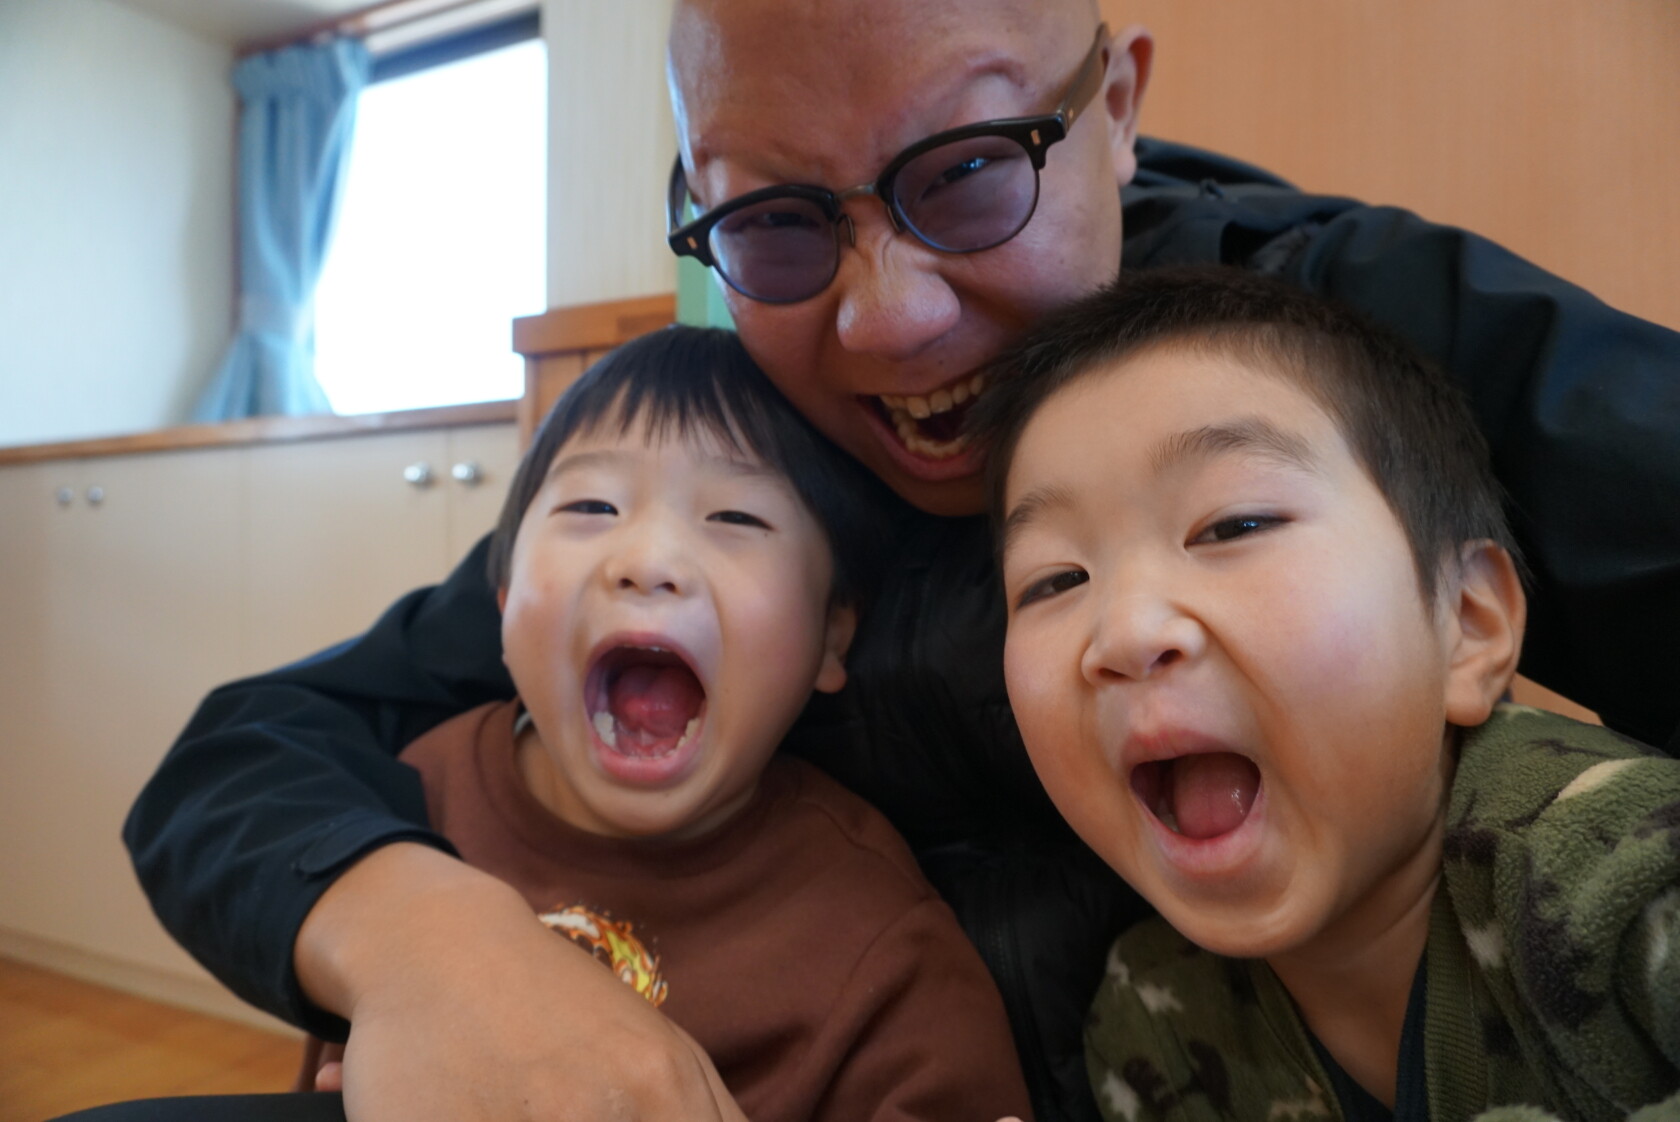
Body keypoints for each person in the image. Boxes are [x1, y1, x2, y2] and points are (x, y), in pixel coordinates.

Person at [123, 1, 1680, 1119]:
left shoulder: (1326, 347)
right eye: (772, 220)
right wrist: (433, 947)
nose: (887, 317)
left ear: (1115, 107)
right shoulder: (738, 453)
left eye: (973, 169)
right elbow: (254, 749)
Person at [975, 267, 1680, 1121]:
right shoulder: (1151, 1023)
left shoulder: (1625, 860)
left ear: (1468, 620)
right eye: (1054, 580)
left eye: (1232, 525)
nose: (1123, 634)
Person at [296, 325, 1033, 1121]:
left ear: (830, 635)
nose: (648, 561)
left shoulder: (880, 941)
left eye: (735, 517)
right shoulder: (401, 805)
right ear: (502, 607)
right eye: (591, 506)